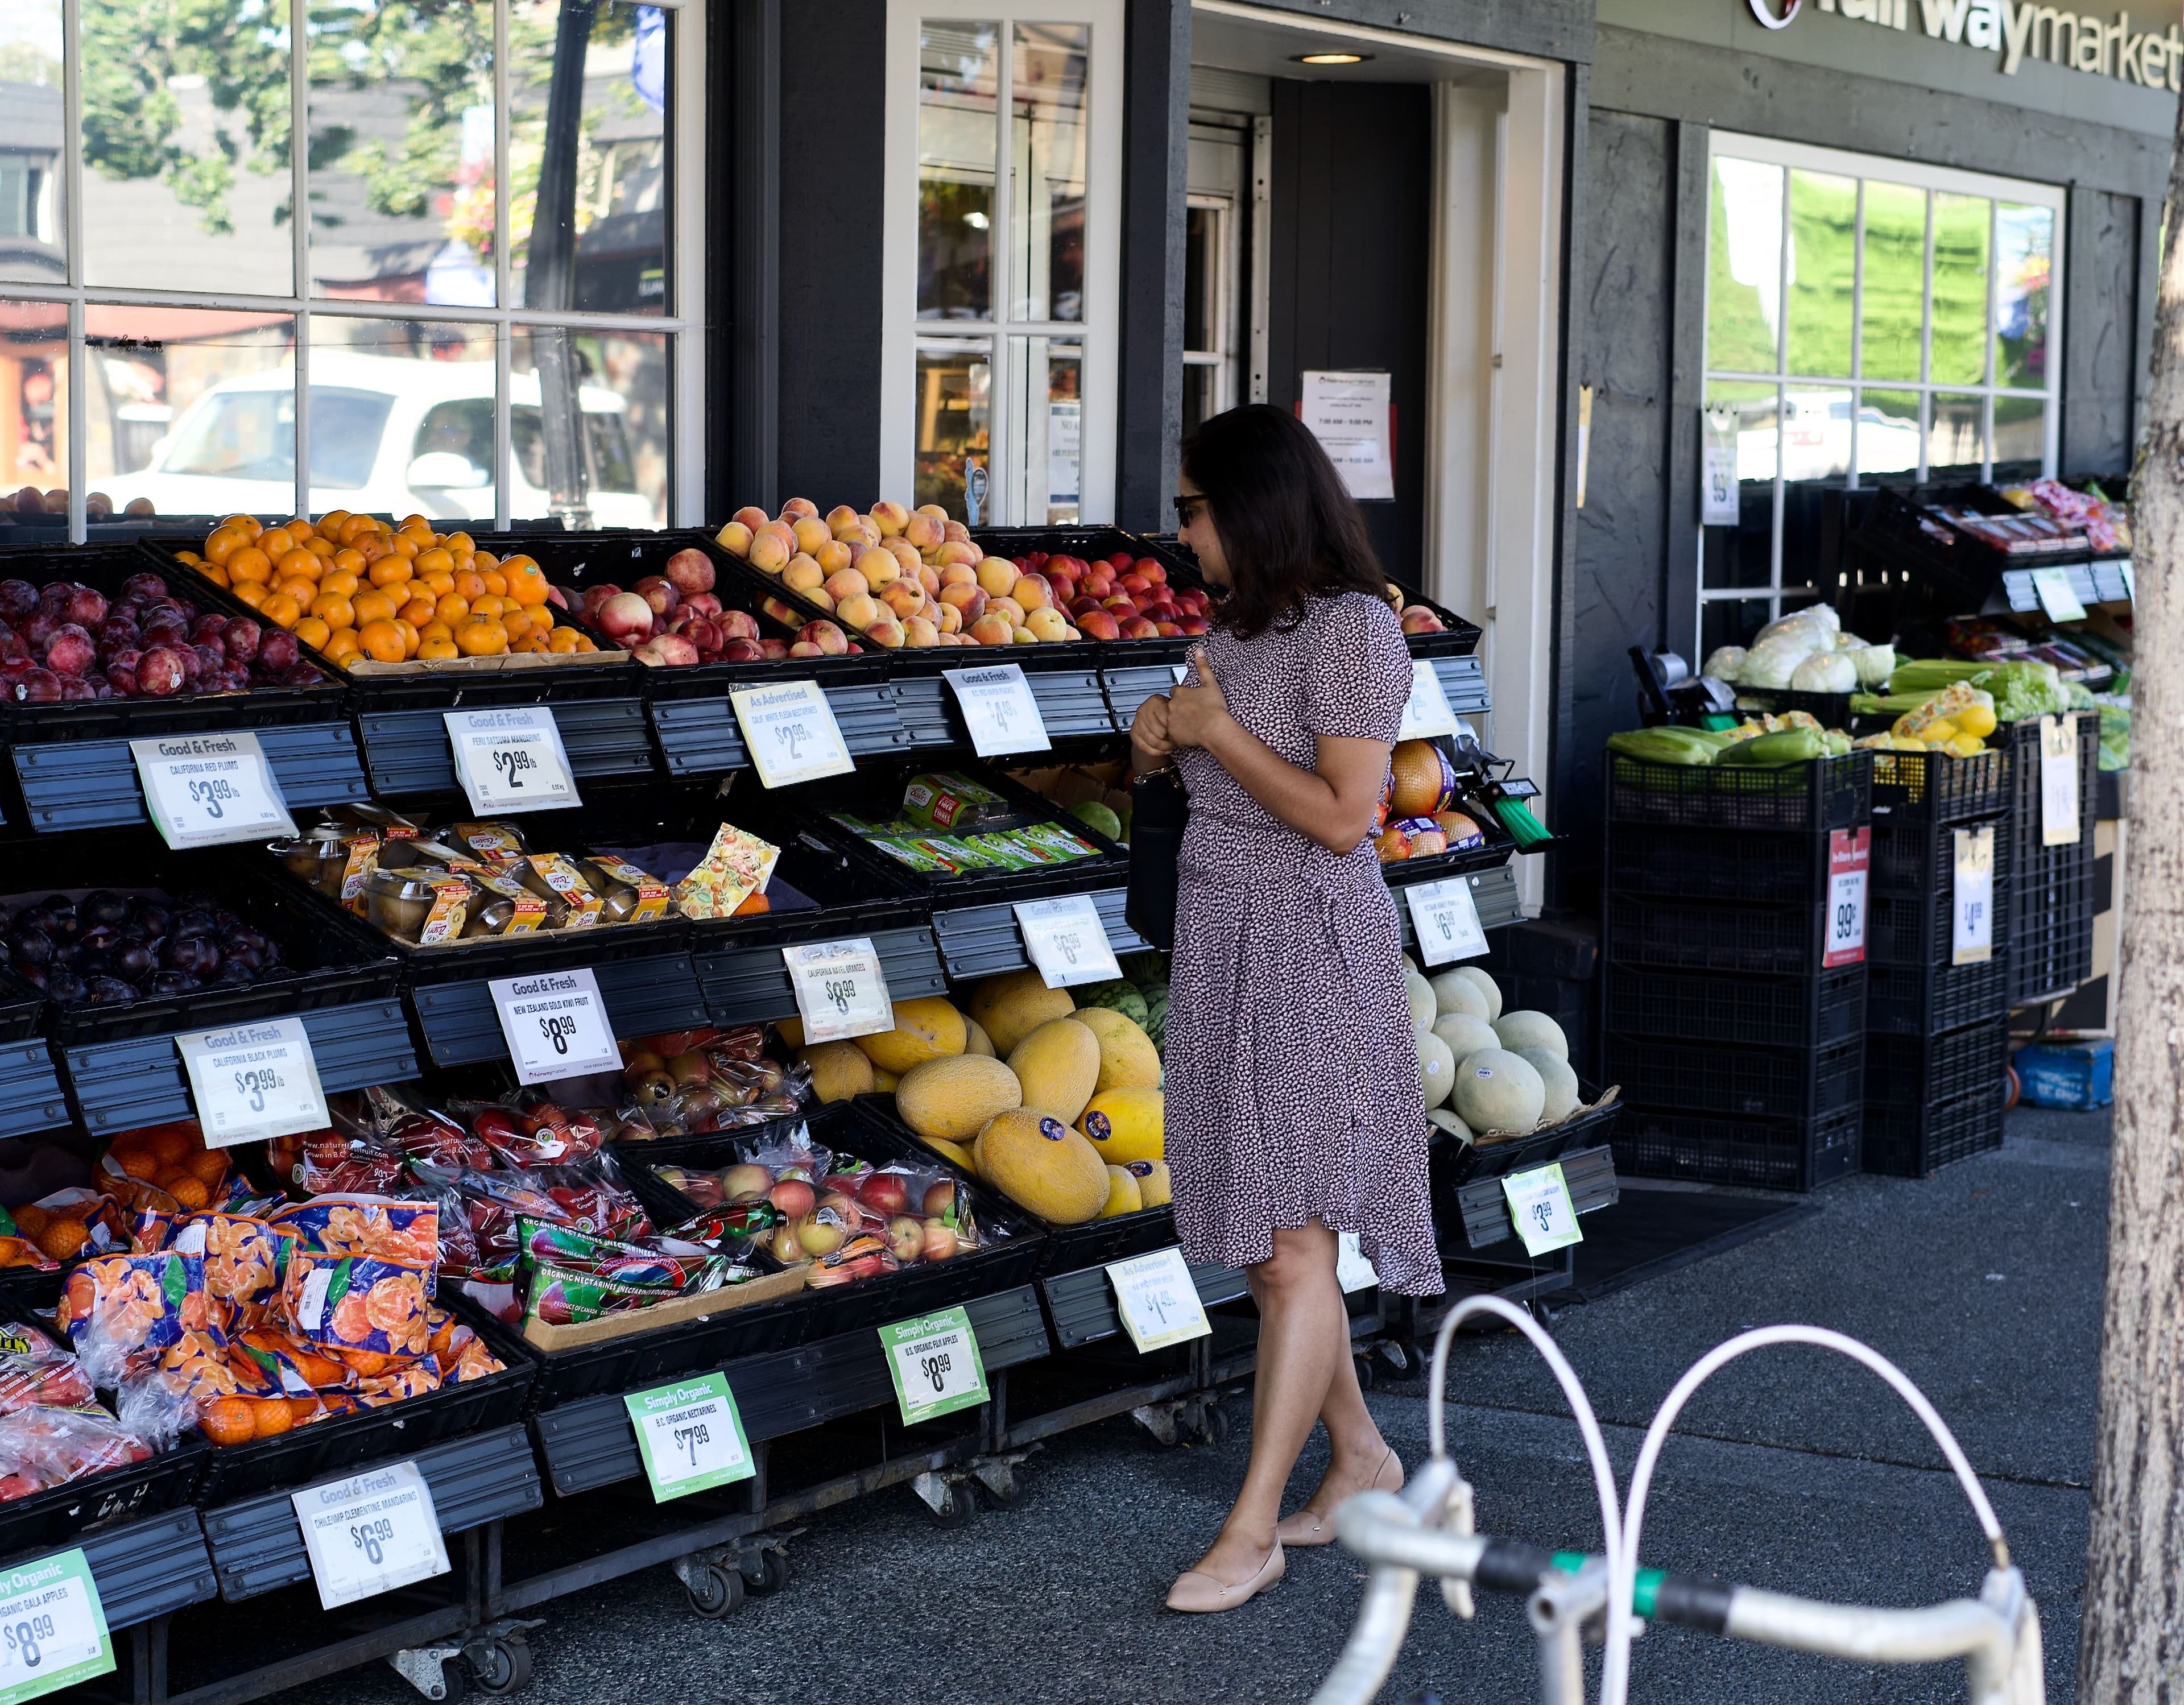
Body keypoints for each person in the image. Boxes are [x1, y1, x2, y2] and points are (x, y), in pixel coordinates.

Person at [1131, 403, 1441, 1615]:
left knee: (1297, 1241)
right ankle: (1362, 1458)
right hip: (1221, 936)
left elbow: (1341, 816)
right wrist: (1160, 743)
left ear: (1252, 504)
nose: (1183, 536)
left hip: (1308, 944)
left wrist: (1211, 729)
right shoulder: (1233, 625)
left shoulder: (1356, 631)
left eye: (1195, 511)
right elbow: (1206, 777)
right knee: (1271, 1249)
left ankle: (1251, 1524)